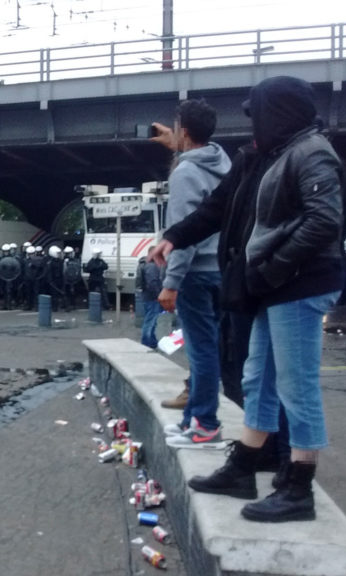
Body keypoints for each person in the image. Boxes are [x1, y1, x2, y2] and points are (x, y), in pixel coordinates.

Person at [154, 75, 346, 522]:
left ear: (278, 112)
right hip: (268, 285)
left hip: (299, 285)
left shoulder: (311, 152)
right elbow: (219, 207)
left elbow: (324, 221)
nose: (252, 123)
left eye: (258, 112)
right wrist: (173, 237)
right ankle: (245, 464)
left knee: (296, 388)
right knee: (257, 377)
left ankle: (299, 486)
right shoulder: (263, 155)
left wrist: (273, 265)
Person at [152, 98, 231, 448]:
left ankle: (205, 425)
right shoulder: (224, 162)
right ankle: (192, 420)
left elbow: (184, 233)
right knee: (210, 347)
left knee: (201, 351)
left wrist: (171, 283)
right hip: (222, 269)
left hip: (196, 273)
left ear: (183, 131)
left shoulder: (185, 173)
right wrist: (178, 145)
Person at [136, 250, 164, 349]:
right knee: (150, 321)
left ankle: (152, 341)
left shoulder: (145, 264)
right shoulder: (152, 266)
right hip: (153, 297)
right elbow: (152, 283)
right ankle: (146, 342)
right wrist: (159, 295)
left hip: (147, 296)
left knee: (151, 319)